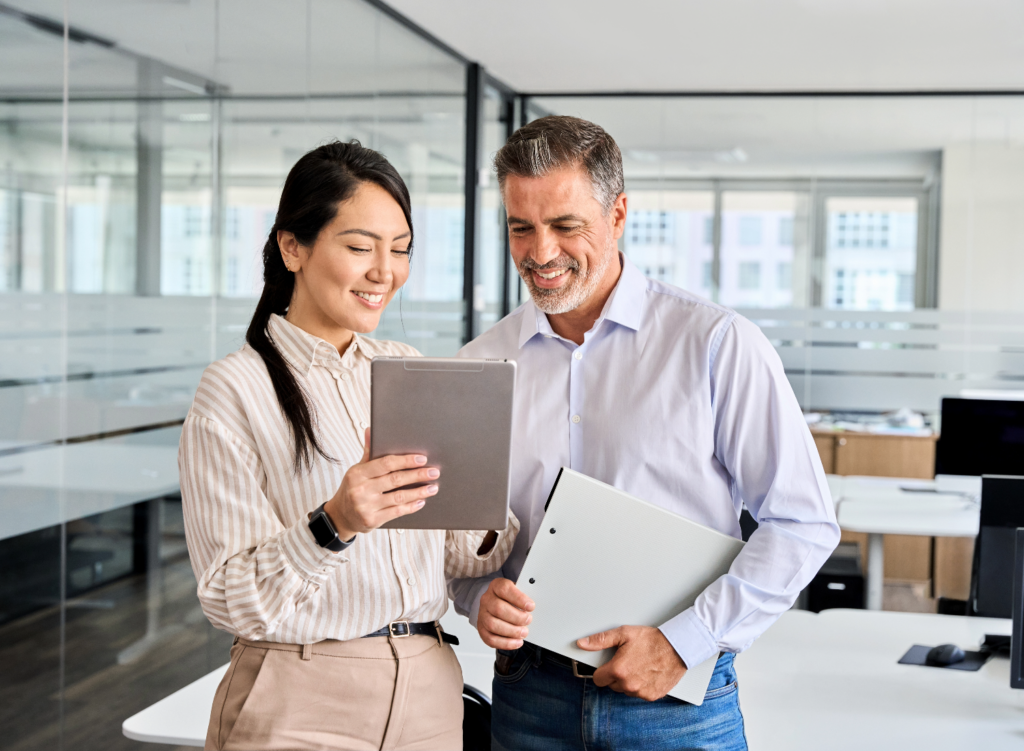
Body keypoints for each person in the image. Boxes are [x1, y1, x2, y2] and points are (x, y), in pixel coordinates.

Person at [449, 116, 840, 751]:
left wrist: (689, 641)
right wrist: (474, 596)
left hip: (678, 700)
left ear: (619, 213)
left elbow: (802, 522)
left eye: (565, 226)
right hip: (529, 695)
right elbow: (462, 541)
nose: (540, 252)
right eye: (522, 228)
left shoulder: (715, 343)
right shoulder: (480, 366)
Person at [179, 140, 518, 751]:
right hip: (301, 694)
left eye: (401, 250)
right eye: (360, 247)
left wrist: (481, 499)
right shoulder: (234, 389)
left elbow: (469, 556)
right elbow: (230, 601)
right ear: (293, 248)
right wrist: (334, 523)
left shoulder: (407, 369)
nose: (384, 272)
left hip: (429, 689)